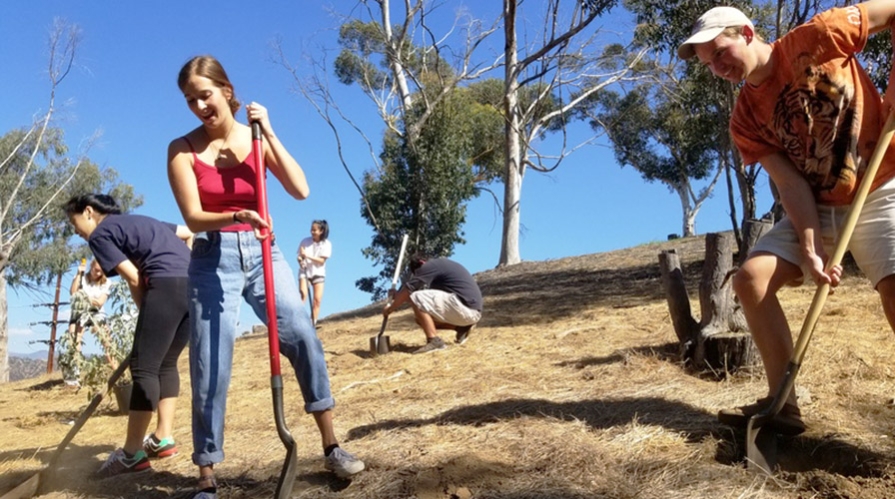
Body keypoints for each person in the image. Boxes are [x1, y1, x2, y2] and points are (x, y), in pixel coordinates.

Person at [678, 1, 895, 436]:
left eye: (720, 53)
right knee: (750, 280)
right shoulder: (745, 118)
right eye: (709, 65)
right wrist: (811, 248)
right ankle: (783, 405)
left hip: (880, 188)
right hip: (817, 205)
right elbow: (791, 185)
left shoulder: (820, 34)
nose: (718, 68)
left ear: (745, 32)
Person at [167, 55, 364, 498]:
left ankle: (331, 446)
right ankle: (207, 476)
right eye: (190, 100)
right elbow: (194, 218)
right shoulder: (181, 149)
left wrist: (270, 130)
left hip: (263, 253)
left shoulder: (255, 136)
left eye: (205, 95)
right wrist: (237, 213)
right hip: (213, 257)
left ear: (228, 91)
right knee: (209, 364)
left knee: (302, 334)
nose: (199, 106)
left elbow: (300, 189)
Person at [63, 193, 193, 477]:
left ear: (88, 212)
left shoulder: (100, 234)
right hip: (194, 286)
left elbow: (133, 277)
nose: (76, 232)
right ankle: (162, 439)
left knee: (144, 367)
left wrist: (147, 310)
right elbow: (188, 233)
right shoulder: (143, 221)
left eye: (75, 225)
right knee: (166, 364)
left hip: (165, 286)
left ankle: (132, 453)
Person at [382, 254, 483, 354]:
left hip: (466, 308)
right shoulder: (440, 269)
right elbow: (422, 302)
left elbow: (410, 291)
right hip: (469, 311)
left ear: (422, 263)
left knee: (417, 296)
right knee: (420, 319)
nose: (420, 274)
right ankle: (461, 328)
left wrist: (390, 309)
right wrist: (398, 296)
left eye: (418, 273)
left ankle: (434, 341)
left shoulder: (430, 265)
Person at [63, 258, 114, 386]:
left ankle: (116, 371)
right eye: (95, 270)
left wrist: (84, 297)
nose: (97, 273)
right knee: (74, 340)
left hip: (97, 313)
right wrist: (79, 274)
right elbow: (73, 292)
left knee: (107, 342)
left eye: (100, 272)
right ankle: (74, 375)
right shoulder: (81, 278)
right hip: (79, 311)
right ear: (91, 266)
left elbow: (100, 302)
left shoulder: (107, 283)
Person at [298, 220, 332, 327]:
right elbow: (299, 255)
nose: (312, 232)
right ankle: (297, 320)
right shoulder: (305, 241)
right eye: (311, 229)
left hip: (318, 273)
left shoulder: (326, 244)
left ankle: (312, 323)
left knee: (317, 300)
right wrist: (300, 260)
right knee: (302, 294)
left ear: (321, 231)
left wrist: (307, 256)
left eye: (314, 230)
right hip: (305, 271)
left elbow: (321, 261)